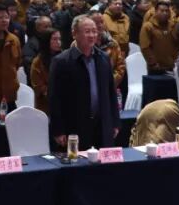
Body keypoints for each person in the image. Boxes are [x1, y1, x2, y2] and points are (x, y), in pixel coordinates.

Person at [48, 15, 119, 151]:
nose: (92, 35)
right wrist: (58, 130)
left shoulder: (103, 58)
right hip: (74, 125)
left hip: (101, 124)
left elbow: (111, 92)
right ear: (74, 34)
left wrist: (115, 121)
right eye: (87, 32)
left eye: (94, 31)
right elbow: (54, 98)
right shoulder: (62, 61)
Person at [139, 0, 178, 75]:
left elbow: (175, 44)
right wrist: (152, 63)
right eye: (162, 11)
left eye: (167, 11)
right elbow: (145, 47)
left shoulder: (172, 26)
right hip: (155, 68)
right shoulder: (148, 26)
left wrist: (175, 59)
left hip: (171, 66)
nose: (165, 13)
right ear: (156, 11)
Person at [29, 29, 62, 114]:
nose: (58, 42)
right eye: (54, 39)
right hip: (45, 106)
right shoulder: (37, 62)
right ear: (46, 41)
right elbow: (39, 87)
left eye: (59, 39)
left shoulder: (64, 58)